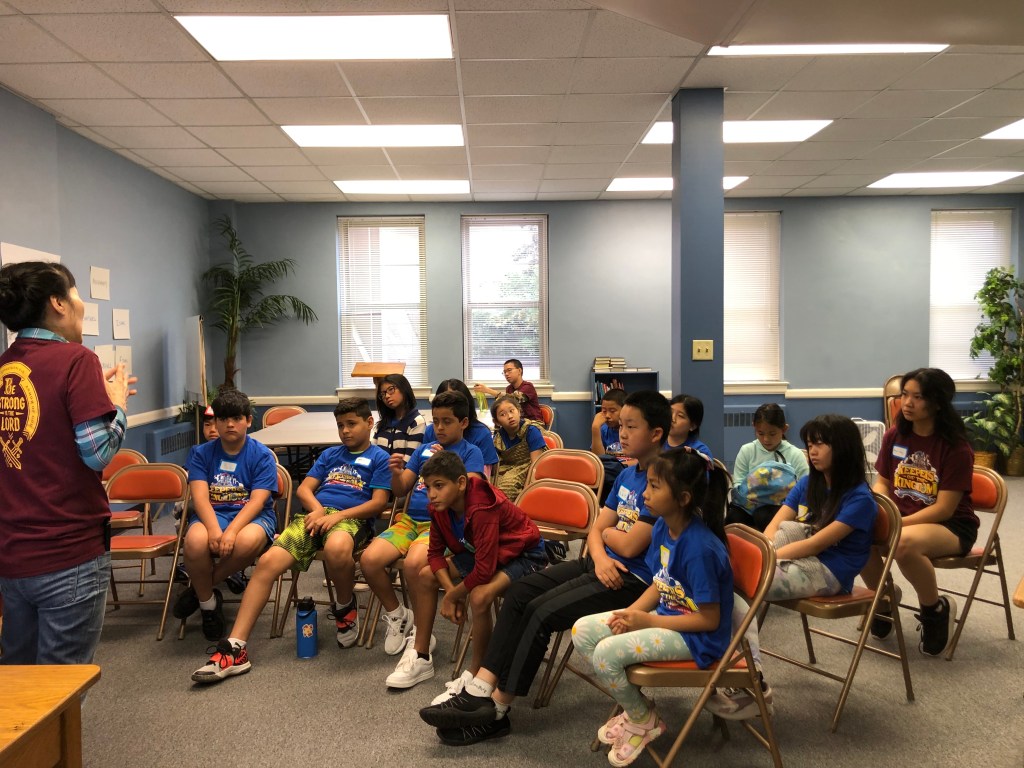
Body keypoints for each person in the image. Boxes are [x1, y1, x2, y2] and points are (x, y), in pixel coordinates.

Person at [418, 391, 670, 746]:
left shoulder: (664, 481)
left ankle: (497, 711)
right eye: (621, 425)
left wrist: (605, 538)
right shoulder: (629, 475)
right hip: (600, 564)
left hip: (631, 580)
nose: (621, 433)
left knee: (541, 612)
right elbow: (597, 528)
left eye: (631, 426)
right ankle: (480, 688)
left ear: (656, 433)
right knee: (522, 591)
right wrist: (601, 551)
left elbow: (628, 546)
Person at [190, 398, 391, 684]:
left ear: (369, 423)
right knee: (268, 561)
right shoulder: (329, 455)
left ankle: (345, 607)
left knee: (336, 548)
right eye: (340, 425)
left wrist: (337, 516)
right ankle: (236, 647)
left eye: (351, 424)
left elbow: (379, 503)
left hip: (351, 519)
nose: (345, 431)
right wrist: (318, 510)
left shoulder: (380, 457)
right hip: (314, 518)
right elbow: (304, 490)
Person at [0, 261, 136, 665]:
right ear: (57, 303)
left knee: (18, 681)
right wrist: (117, 405)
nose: (81, 304)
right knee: (62, 685)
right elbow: (98, 454)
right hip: (68, 553)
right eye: (76, 294)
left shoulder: (5, 366)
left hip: (13, 556)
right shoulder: (77, 360)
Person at [706, 413, 876, 721]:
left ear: (844, 447)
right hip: (793, 558)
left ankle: (751, 681)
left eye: (820, 444)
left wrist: (766, 559)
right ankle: (741, 673)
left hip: (827, 572)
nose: (812, 451)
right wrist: (764, 551)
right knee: (726, 580)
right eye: (810, 444)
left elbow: (815, 545)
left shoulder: (860, 499)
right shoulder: (809, 483)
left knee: (741, 585)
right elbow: (774, 526)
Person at [572, 448, 733, 767]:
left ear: (683, 498)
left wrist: (646, 621)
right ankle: (640, 710)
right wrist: (631, 614)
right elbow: (661, 583)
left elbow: (709, 619)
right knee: (582, 632)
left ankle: (641, 719)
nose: (645, 492)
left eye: (655, 486)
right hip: (667, 617)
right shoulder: (662, 527)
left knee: (605, 654)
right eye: (648, 483)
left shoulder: (699, 549)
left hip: (697, 639)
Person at [409, 451, 549, 702]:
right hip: (486, 553)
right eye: (428, 487)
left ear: (461, 483)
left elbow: (483, 572)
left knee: (479, 596)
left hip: (525, 555)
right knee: (426, 575)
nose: (431, 494)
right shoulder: (439, 508)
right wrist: (452, 593)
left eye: (439, 486)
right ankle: (421, 656)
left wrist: (452, 596)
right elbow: (435, 554)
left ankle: (477, 674)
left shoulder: (483, 506)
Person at [360, 390, 485, 663]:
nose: (439, 428)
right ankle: (399, 615)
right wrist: (396, 474)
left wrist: (448, 465)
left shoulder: (471, 452)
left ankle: (421, 634)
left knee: (414, 563)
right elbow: (401, 488)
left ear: (463, 423)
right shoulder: (423, 450)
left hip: (441, 524)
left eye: (447, 421)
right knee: (369, 560)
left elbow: (472, 492)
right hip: (409, 521)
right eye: (436, 421)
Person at [865, 367, 977, 657]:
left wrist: (898, 523)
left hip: (950, 525)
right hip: (902, 519)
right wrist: (878, 509)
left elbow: (944, 508)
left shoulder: (956, 448)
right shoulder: (895, 435)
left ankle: (934, 610)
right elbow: (882, 482)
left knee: (903, 543)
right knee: (855, 532)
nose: (907, 403)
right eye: (905, 394)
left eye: (918, 397)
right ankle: (883, 601)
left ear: (937, 402)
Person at [174, 389, 278, 641]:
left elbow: (257, 501)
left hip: (253, 516)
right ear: (216, 423)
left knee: (244, 542)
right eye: (223, 419)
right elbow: (200, 498)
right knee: (194, 542)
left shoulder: (262, 455)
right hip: (214, 512)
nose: (230, 424)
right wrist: (213, 530)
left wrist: (230, 532)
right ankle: (209, 605)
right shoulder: (201, 453)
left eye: (237, 418)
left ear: (248, 421)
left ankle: (199, 590)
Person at [726, 403, 809, 531]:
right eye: (760, 433)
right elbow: (738, 483)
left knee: (763, 516)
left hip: (780, 506)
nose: (766, 439)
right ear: (754, 427)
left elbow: (805, 487)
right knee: (733, 518)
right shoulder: (747, 450)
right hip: (748, 505)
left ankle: (769, 542)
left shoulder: (795, 454)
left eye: (772, 434)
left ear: (784, 429)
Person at [428, 379, 499, 468]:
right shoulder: (430, 431)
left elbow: (484, 473)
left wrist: (445, 464)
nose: (440, 427)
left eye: (455, 401)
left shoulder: (481, 434)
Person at [491, 394, 547, 501]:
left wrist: (527, 489)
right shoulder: (498, 437)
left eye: (512, 411)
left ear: (519, 411)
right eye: (503, 414)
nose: (510, 416)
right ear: (497, 421)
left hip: (528, 467)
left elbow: (536, 465)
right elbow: (495, 463)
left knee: (505, 489)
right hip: (508, 468)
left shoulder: (531, 430)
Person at [374, 373, 426, 465]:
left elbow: (410, 464)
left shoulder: (416, 422)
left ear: (403, 389)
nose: (387, 396)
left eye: (391, 389)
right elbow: (372, 456)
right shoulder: (382, 424)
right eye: (383, 394)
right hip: (378, 472)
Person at [474, 358, 543, 424]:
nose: (506, 374)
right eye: (504, 372)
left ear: (519, 371)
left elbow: (514, 399)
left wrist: (487, 390)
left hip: (533, 424)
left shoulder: (528, 387)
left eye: (509, 370)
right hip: (517, 423)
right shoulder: (509, 388)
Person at [666, 394, 713, 458]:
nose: (672, 419)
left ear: (693, 426)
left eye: (680, 416)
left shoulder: (699, 451)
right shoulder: (656, 442)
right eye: (670, 412)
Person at [591, 387, 627, 460]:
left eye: (612, 411)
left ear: (625, 410)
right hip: (609, 467)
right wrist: (595, 428)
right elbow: (598, 460)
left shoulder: (632, 431)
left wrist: (621, 465)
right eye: (604, 411)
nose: (607, 415)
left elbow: (639, 461)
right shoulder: (603, 430)